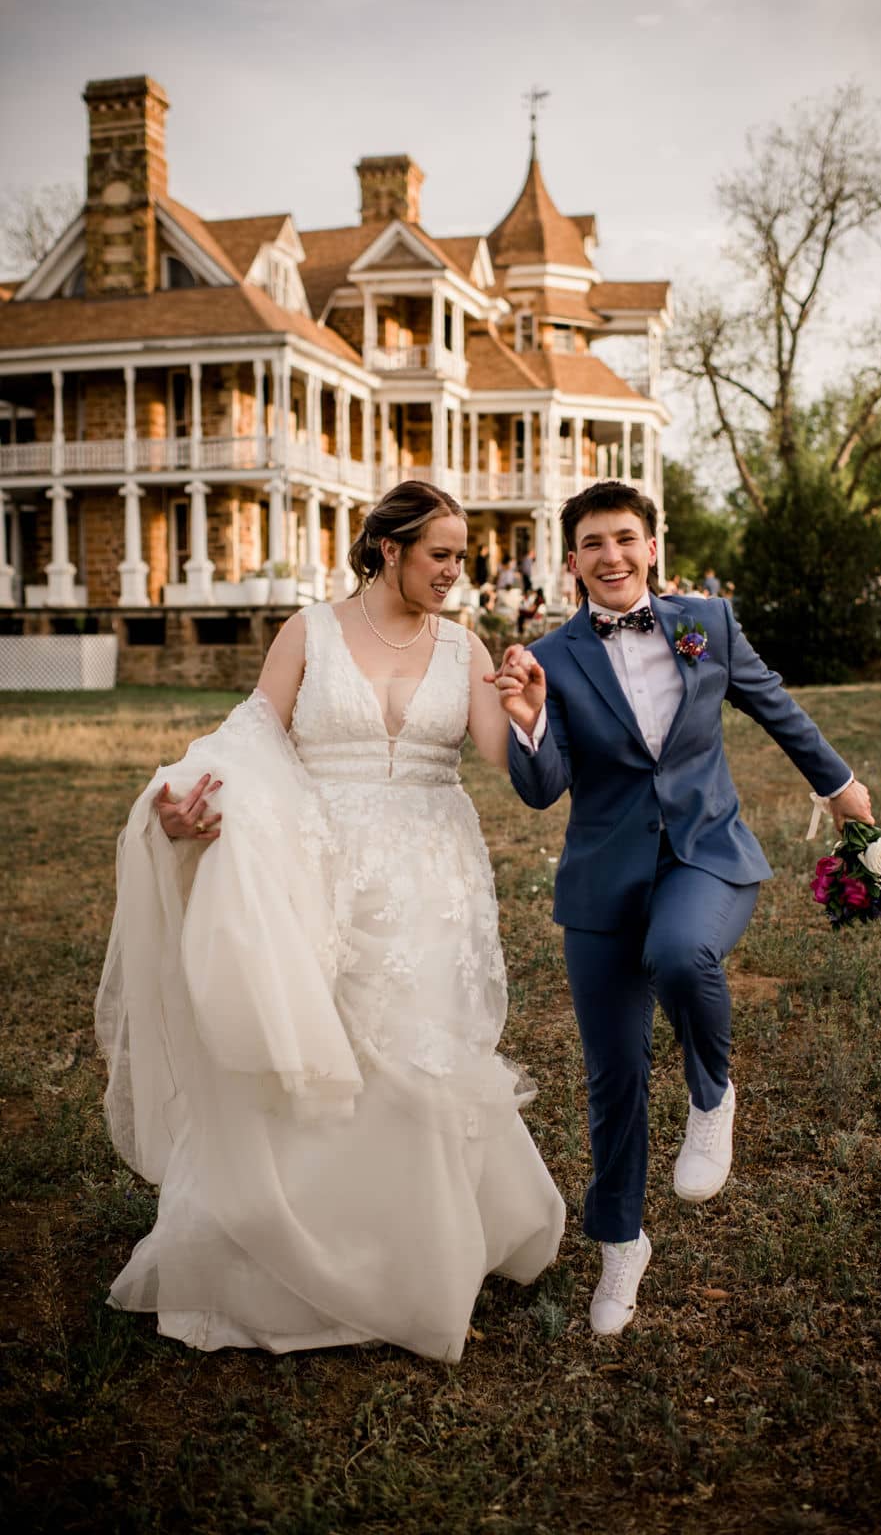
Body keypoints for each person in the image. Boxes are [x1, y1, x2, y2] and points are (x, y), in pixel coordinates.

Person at [95, 480, 564, 1360]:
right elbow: (253, 735)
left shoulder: (462, 646)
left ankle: (418, 1263)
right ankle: (302, 1259)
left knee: (424, 1053)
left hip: (433, 875)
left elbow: (502, 757)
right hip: (321, 861)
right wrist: (180, 803)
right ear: (388, 549)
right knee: (329, 1052)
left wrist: (527, 716)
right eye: (442, 554)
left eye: (461, 556)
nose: (456, 571)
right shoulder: (307, 632)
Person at [489, 481, 872, 1338]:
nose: (612, 556)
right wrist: (527, 719)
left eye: (626, 538)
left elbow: (774, 706)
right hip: (600, 884)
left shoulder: (709, 623)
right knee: (612, 1076)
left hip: (708, 855)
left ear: (652, 546)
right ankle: (621, 1245)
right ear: (572, 559)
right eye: (593, 543)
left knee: (680, 955)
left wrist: (842, 786)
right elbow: (544, 788)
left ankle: (713, 1097)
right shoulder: (552, 653)